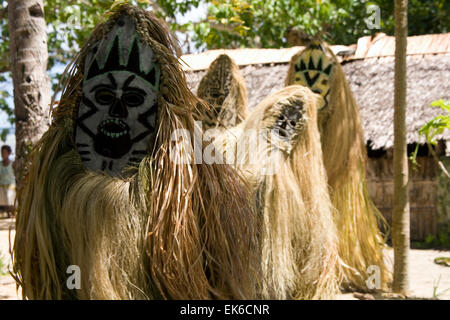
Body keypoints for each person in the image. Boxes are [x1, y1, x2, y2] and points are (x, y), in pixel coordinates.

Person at [0, 145, 15, 218]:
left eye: (4, 152)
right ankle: (8, 214)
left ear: (9, 153)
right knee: (4, 201)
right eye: (2, 153)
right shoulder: (0, 164)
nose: (3, 154)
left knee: (10, 199)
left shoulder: (12, 163)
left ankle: (12, 213)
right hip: (2, 184)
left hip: (11, 184)